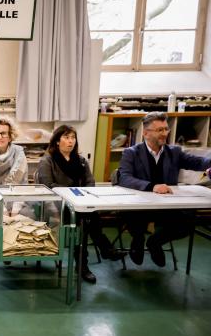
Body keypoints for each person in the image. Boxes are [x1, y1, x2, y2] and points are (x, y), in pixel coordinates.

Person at [119, 111, 211, 267]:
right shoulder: (131, 153)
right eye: (159, 130)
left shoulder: (174, 152)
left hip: (167, 205)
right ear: (146, 133)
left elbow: (198, 162)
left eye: (166, 129)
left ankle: (155, 242)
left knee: (186, 222)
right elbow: (124, 178)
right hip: (139, 206)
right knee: (133, 218)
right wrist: (152, 186)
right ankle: (138, 240)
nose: (164, 133)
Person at [37, 125, 124, 284]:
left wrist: (84, 196)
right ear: (57, 141)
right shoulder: (47, 160)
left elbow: (90, 182)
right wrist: (73, 192)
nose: (70, 141)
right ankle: (99, 252)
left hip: (82, 204)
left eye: (73, 138)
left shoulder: (81, 160)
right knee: (84, 220)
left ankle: (84, 263)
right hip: (57, 206)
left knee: (87, 217)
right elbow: (48, 185)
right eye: (66, 137)